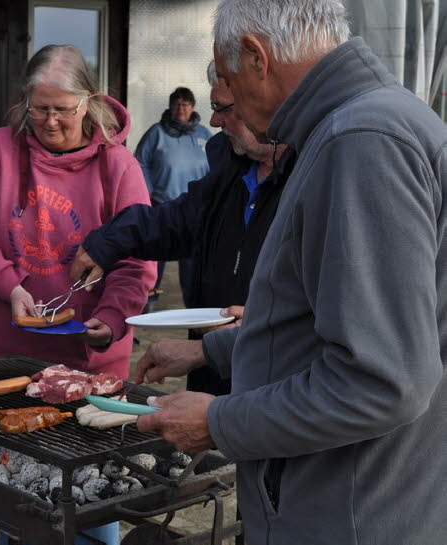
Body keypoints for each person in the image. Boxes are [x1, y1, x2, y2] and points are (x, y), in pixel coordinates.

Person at [135, 1, 447, 544]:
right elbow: (323, 321)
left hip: (348, 512)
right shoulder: (366, 122)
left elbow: (381, 381)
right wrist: (211, 351)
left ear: (257, 57)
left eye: (228, 80)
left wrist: (219, 422)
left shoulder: (361, 141)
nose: (217, 114)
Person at [0, 44, 155, 545]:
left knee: (88, 486)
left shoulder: (119, 166)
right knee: (15, 483)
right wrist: (8, 283)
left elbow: (139, 256)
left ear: (89, 101)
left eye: (61, 109)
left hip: (92, 362)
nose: (48, 121)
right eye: (37, 107)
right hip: (10, 352)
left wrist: (113, 315)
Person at [70, 60, 294, 396]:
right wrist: (109, 241)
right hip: (213, 377)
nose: (215, 121)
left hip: (277, 388)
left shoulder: (314, 176)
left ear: (267, 100)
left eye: (221, 108)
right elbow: (177, 221)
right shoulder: (233, 168)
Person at [134, 87, 212, 309]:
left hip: (194, 209)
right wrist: (146, 190)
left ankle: (194, 315)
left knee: (192, 266)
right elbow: (140, 161)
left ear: (192, 107)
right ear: (170, 107)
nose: (181, 109)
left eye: (185, 105)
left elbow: (218, 167)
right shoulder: (156, 133)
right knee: (152, 264)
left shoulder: (203, 135)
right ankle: (145, 311)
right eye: (177, 104)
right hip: (162, 206)